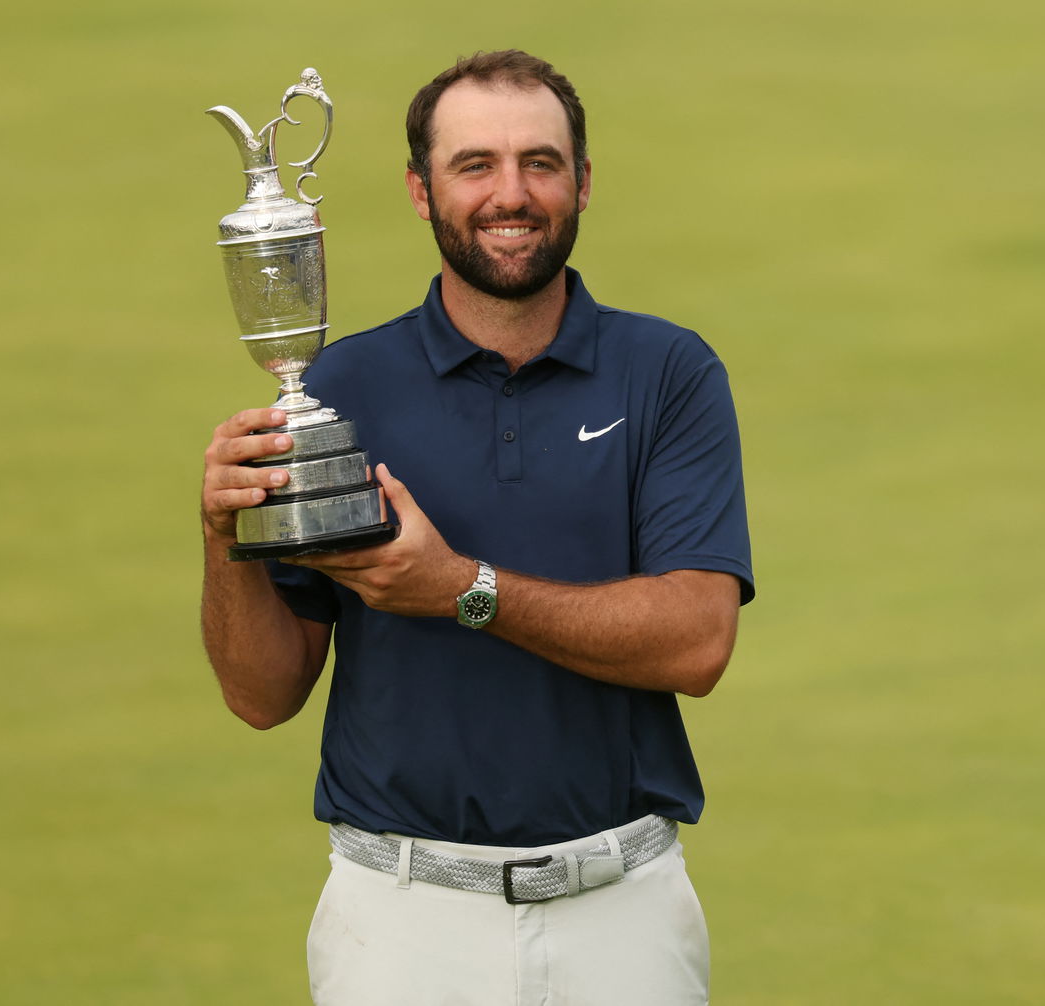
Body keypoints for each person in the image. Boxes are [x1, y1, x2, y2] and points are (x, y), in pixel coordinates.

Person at [200, 49, 754, 1005]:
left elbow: (698, 640)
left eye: (541, 162)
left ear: (582, 182)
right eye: (475, 165)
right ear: (421, 191)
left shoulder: (667, 373)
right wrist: (225, 538)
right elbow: (262, 695)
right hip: (399, 923)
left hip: (622, 913)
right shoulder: (340, 389)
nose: (513, 193)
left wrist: (459, 587)